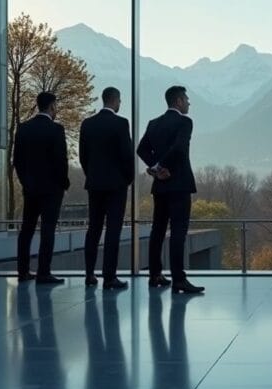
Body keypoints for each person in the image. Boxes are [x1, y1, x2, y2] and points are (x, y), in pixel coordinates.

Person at [136, 86, 205, 294]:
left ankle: (155, 274)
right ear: (178, 101)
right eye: (186, 99)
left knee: (157, 230)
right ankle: (178, 279)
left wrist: (156, 167)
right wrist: (161, 166)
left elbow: (141, 149)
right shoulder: (185, 122)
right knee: (178, 232)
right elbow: (179, 148)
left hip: (160, 185)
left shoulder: (154, 123)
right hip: (180, 184)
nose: (189, 103)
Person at [79, 86, 133, 291]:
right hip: (116, 185)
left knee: (93, 229)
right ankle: (109, 277)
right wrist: (127, 179)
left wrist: (91, 175)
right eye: (120, 101)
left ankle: (89, 274)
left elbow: (83, 156)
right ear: (115, 100)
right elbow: (127, 155)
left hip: (95, 184)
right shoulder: (121, 123)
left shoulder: (87, 124)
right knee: (113, 230)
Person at [13, 91, 70, 284]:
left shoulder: (23, 128)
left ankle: (22, 271)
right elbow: (61, 160)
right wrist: (64, 183)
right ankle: (43, 272)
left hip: (30, 188)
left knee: (27, 229)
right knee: (48, 230)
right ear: (52, 106)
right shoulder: (56, 130)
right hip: (52, 189)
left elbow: (18, 160)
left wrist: (25, 182)